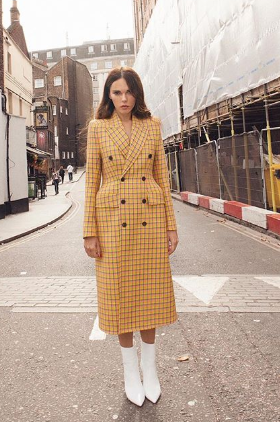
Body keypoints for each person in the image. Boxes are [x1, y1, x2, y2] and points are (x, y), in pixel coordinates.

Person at [83, 67, 179, 407]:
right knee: (120, 296)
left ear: (137, 94)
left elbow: (162, 178)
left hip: (149, 217)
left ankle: (149, 369)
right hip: (112, 221)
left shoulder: (152, 126)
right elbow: (91, 180)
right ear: (108, 95)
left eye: (129, 93)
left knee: (150, 294)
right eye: (117, 93)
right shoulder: (97, 128)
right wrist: (89, 231)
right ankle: (129, 372)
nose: (124, 99)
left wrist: (171, 225)